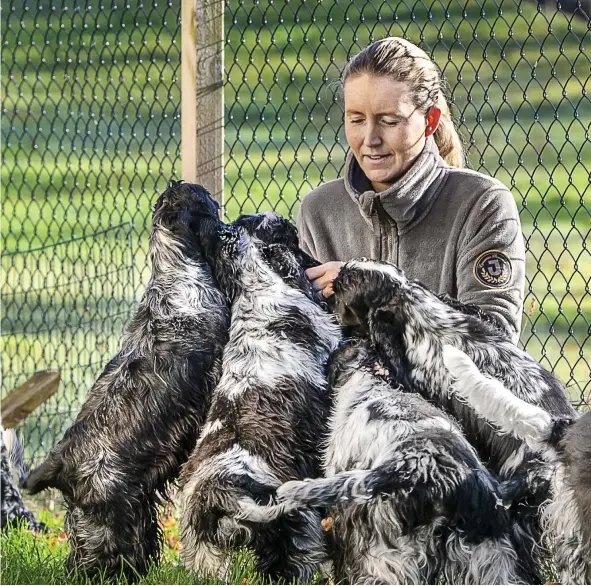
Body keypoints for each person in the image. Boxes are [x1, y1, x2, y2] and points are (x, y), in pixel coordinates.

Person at [297, 37, 526, 344]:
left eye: (389, 121)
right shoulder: (319, 210)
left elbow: (496, 340)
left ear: (429, 121)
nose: (370, 138)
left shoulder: (482, 204)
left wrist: (380, 294)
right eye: (356, 120)